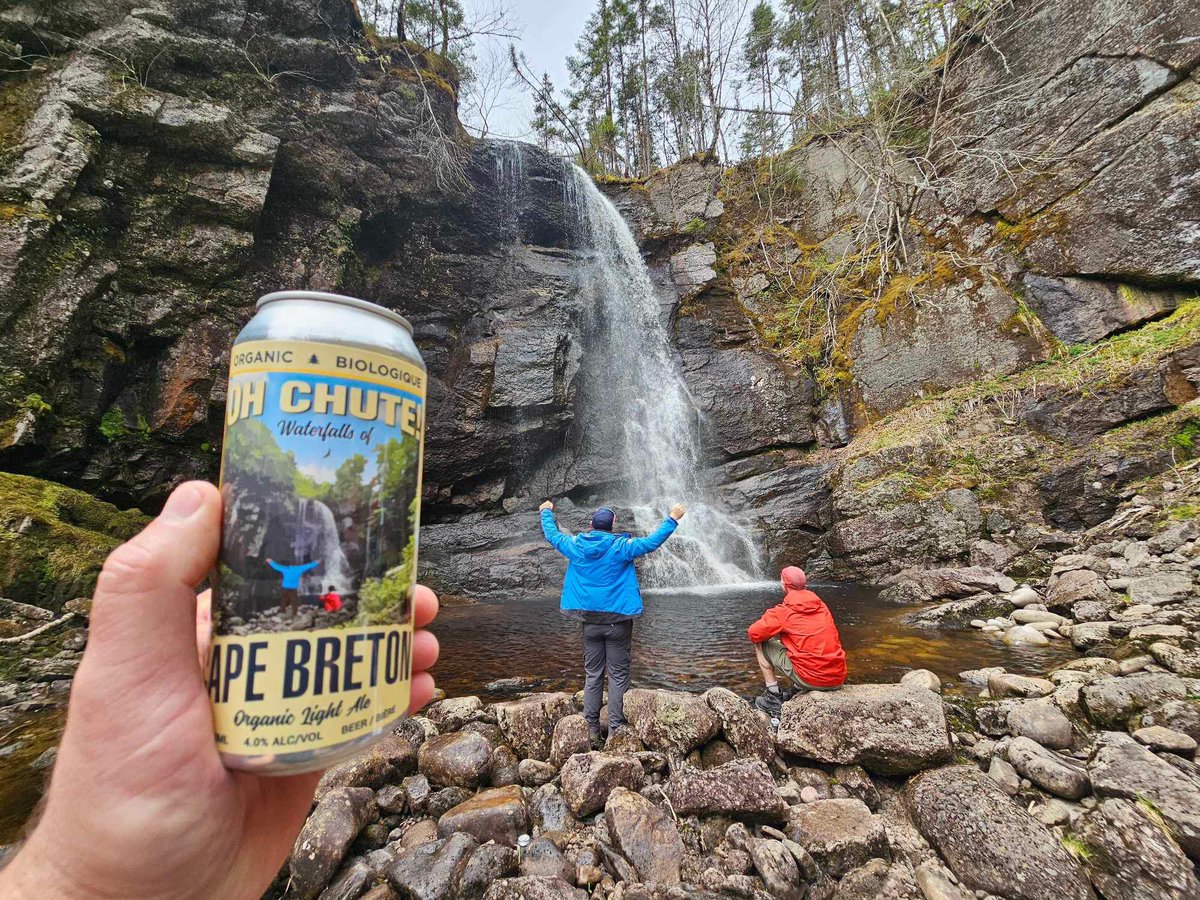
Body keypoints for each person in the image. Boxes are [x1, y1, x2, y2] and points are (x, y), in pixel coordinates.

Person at [0, 481, 440, 899]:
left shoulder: (310, 535)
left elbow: (307, 565)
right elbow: (301, 565)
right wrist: (81, 880)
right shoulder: (298, 530)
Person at [540, 500, 685, 745]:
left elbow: (552, 535)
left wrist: (545, 512)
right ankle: (617, 730)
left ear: (591, 525)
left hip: (589, 621)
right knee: (618, 676)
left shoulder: (575, 545)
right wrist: (672, 518)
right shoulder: (621, 547)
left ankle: (592, 729)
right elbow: (651, 543)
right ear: (613, 525)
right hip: (618, 622)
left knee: (593, 675)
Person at [747, 565, 846, 717]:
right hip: (838, 677)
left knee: (762, 643)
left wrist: (773, 631)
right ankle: (797, 689)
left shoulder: (784, 611)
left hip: (813, 680)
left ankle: (772, 697)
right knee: (806, 642)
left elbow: (754, 633)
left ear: (783, 584)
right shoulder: (822, 606)